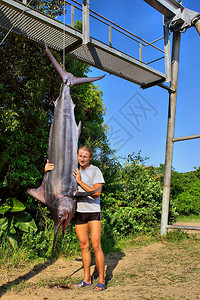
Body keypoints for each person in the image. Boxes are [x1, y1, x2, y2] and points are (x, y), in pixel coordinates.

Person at [45, 145, 106, 291]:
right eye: (80, 156)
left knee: (96, 246)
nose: (82, 159)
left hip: (93, 212)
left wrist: (80, 182)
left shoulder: (95, 171)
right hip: (79, 212)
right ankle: (87, 279)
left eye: (85, 156)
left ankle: (102, 281)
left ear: (90, 157)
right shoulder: (73, 170)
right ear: (76, 156)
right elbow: (57, 178)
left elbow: (96, 193)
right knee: (84, 246)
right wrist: (47, 170)